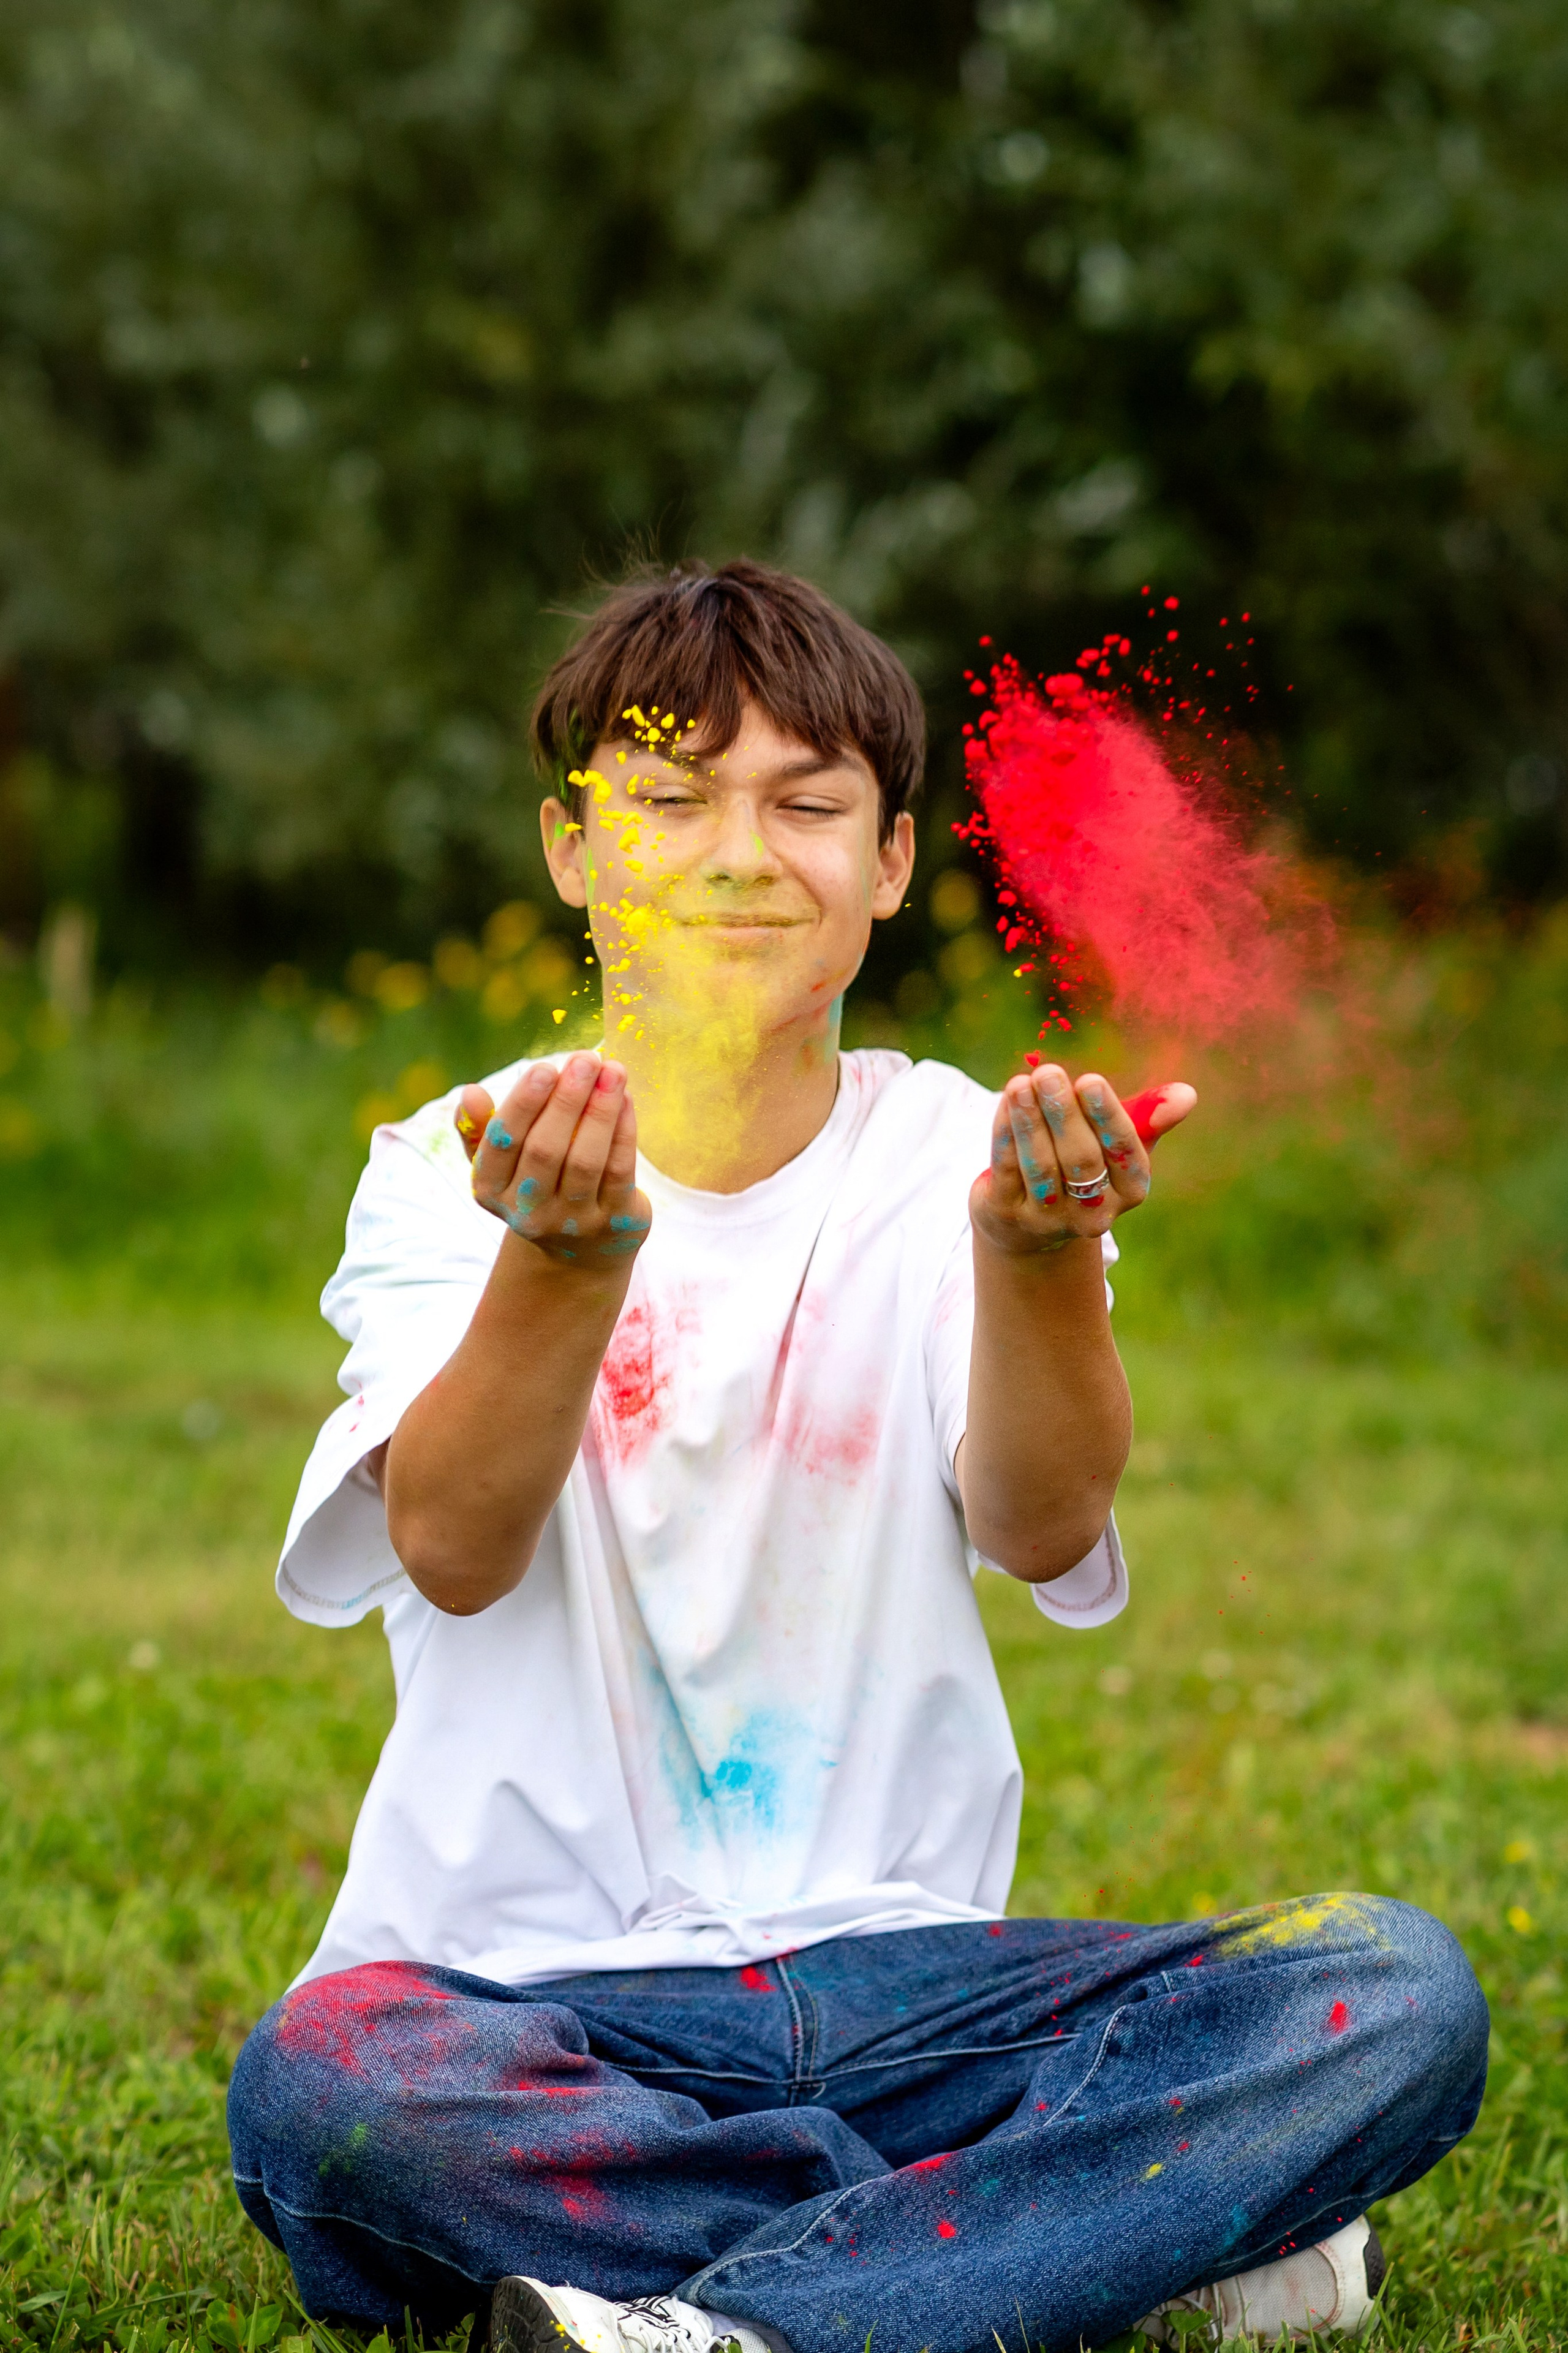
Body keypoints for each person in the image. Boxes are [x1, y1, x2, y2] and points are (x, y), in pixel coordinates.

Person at [228, 561, 1487, 2353]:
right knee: (323, 2082)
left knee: (1396, 1988)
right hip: (538, 2006)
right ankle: (1079, 2233)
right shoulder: (455, 1163)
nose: (740, 855)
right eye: (667, 802)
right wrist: (563, 1268)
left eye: (809, 806)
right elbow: (448, 1539)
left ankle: (723, 2317)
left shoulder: (963, 1156)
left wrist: (1039, 1262)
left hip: (917, 1989)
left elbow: (1049, 1524)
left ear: (892, 863)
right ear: (573, 847)